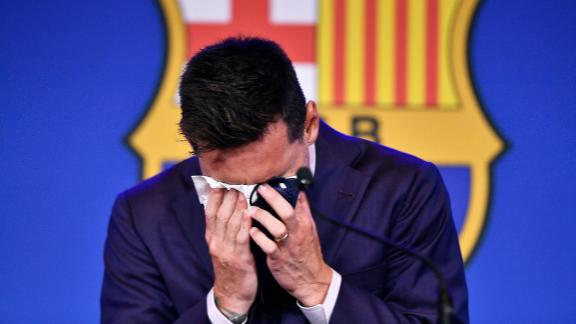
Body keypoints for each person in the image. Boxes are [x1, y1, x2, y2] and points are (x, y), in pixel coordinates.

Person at [101, 37, 468, 323]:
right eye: (229, 188)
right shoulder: (143, 214)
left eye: (273, 181)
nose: (252, 203)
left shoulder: (402, 187)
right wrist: (225, 305)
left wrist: (318, 286)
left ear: (309, 125)